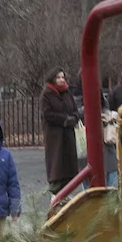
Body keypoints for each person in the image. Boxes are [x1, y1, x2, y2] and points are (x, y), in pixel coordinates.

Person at [41, 67, 79, 196]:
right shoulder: (47, 94)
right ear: (52, 78)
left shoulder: (67, 93)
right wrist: (63, 119)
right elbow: (47, 114)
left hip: (68, 134)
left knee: (69, 166)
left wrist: (74, 117)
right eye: (58, 77)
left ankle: (67, 190)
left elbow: (74, 109)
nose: (61, 80)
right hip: (55, 136)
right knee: (57, 165)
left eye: (63, 77)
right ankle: (56, 193)